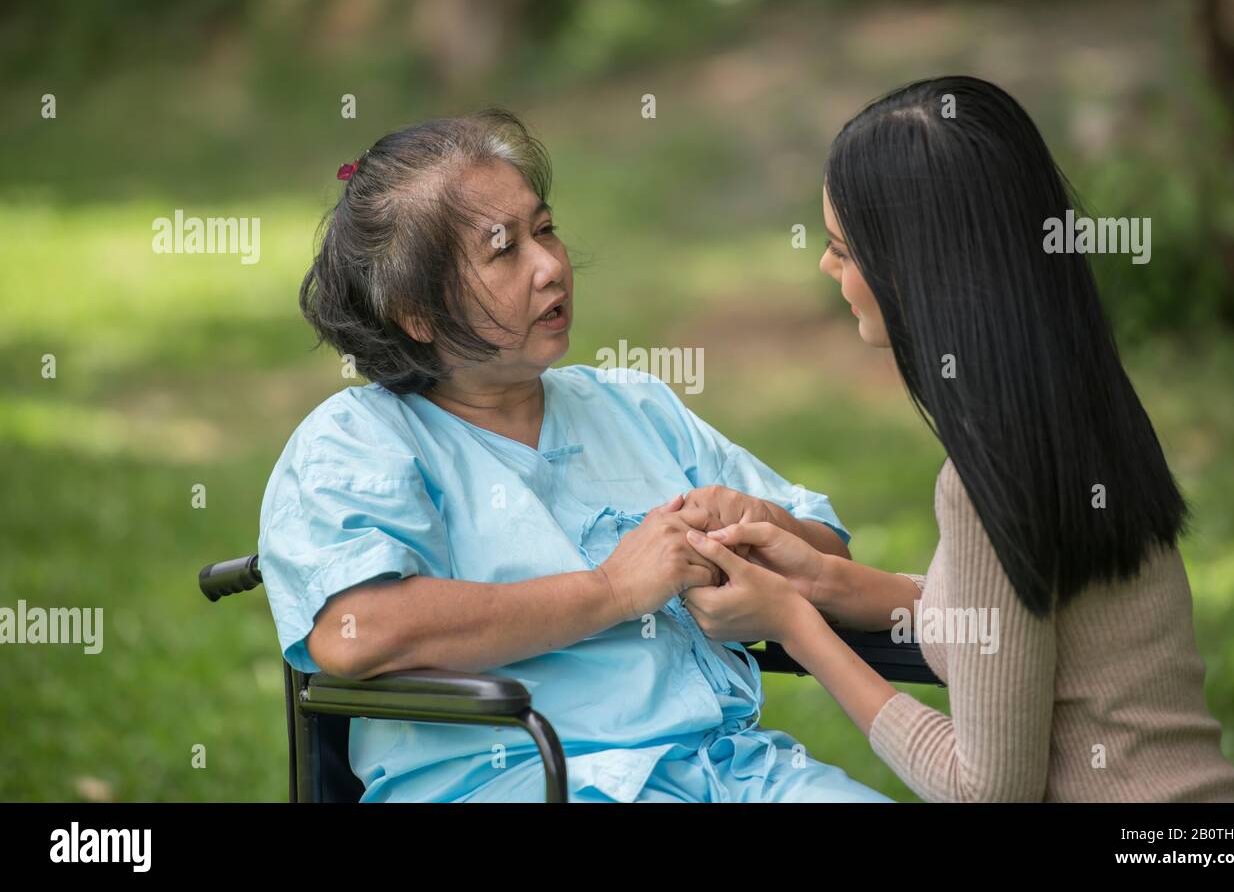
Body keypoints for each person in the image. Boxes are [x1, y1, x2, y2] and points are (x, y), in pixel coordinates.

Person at [258, 109, 891, 802]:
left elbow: (830, 555)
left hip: (735, 770)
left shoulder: (634, 407)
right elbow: (358, 632)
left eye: (546, 229)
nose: (550, 266)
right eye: (504, 251)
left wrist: (759, 521)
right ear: (417, 311)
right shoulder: (357, 441)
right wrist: (614, 590)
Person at [683, 76, 1234, 802]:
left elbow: (986, 791)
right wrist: (824, 581)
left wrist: (796, 626)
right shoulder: (1078, 403)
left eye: (841, 247)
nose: (827, 266)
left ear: (914, 269)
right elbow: (1021, 633)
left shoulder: (988, 482)